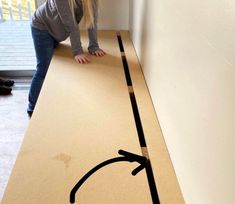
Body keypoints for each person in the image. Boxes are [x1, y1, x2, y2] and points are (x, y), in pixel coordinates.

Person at [27, 0, 105, 116]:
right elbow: (71, 24)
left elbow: (92, 21)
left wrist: (94, 46)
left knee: (55, 63)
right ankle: (32, 106)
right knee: (44, 68)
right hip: (42, 29)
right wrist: (77, 51)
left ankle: (47, 96)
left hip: (57, 32)